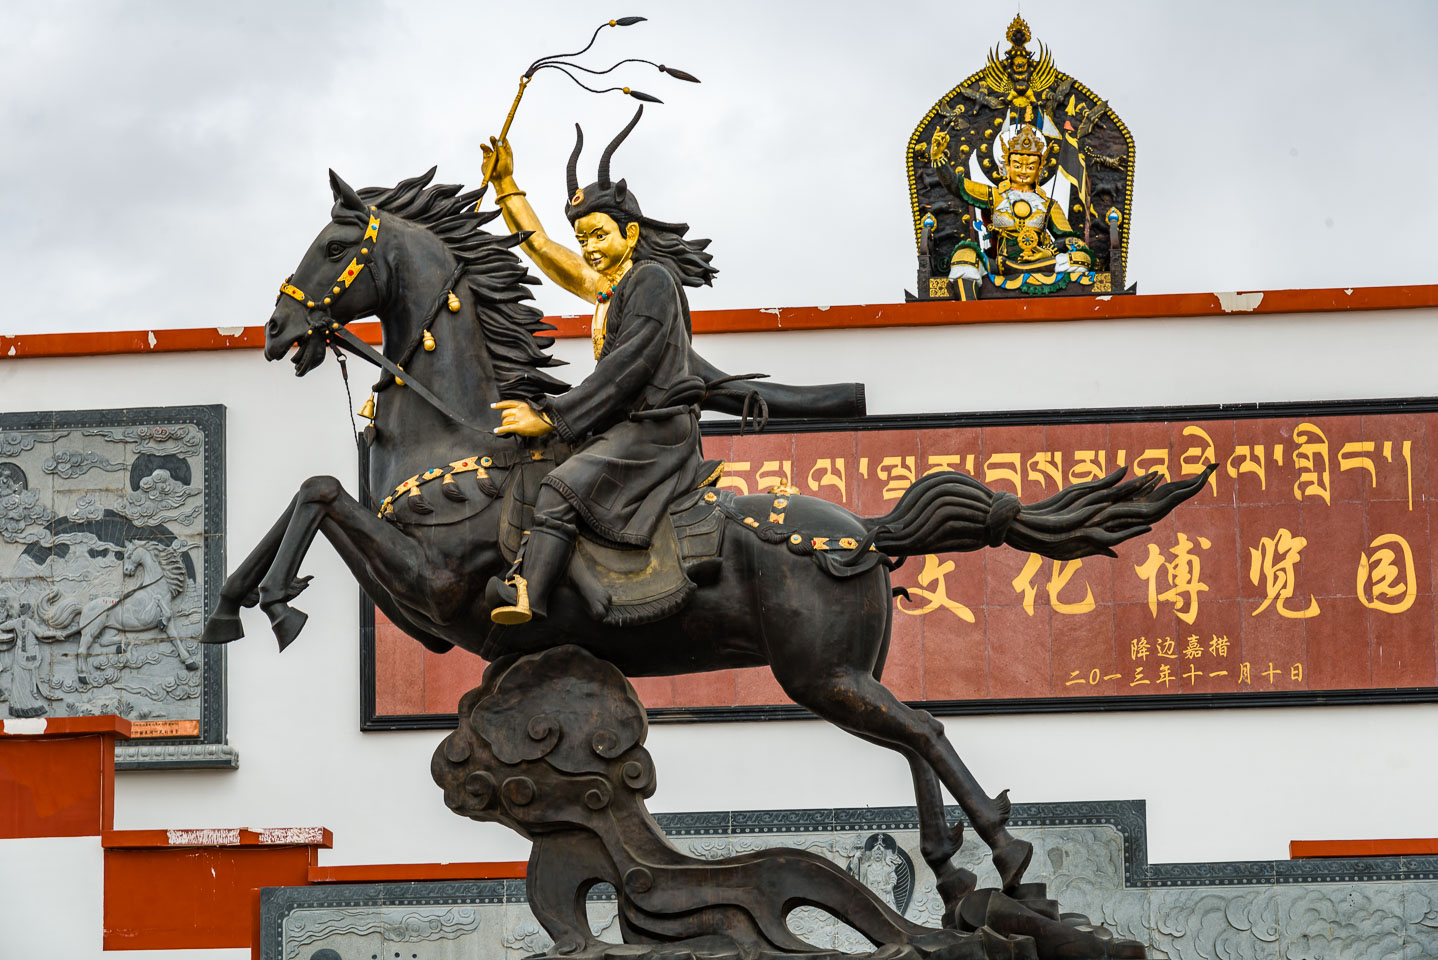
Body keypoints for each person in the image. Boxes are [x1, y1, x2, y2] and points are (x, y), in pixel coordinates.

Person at [478, 108, 716, 625]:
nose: (588, 249)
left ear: (629, 235)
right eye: (583, 239)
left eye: (599, 236)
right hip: (623, 426)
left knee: (562, 486)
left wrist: (552, 413)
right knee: (532, 462)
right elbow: (541, 248)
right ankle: (569, 572)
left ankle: (529, 597)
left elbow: (625, 369)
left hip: (656, 431)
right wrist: (506, 186)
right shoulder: (610, 287)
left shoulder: (651, 281)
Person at [932, 122, 1095, 295]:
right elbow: (957, 186)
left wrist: (1048, 252)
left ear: (1040, 169)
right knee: (964, 256)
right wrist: (938, 157)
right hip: (1002, 264)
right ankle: (969, 317)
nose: (1023, 171)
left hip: (1041, 264)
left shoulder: (1049, 205)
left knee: (1080, 259)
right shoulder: (994, 196)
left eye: (1031, 167)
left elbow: (1072, 240)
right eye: (1017, 165)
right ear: (1007, 167)